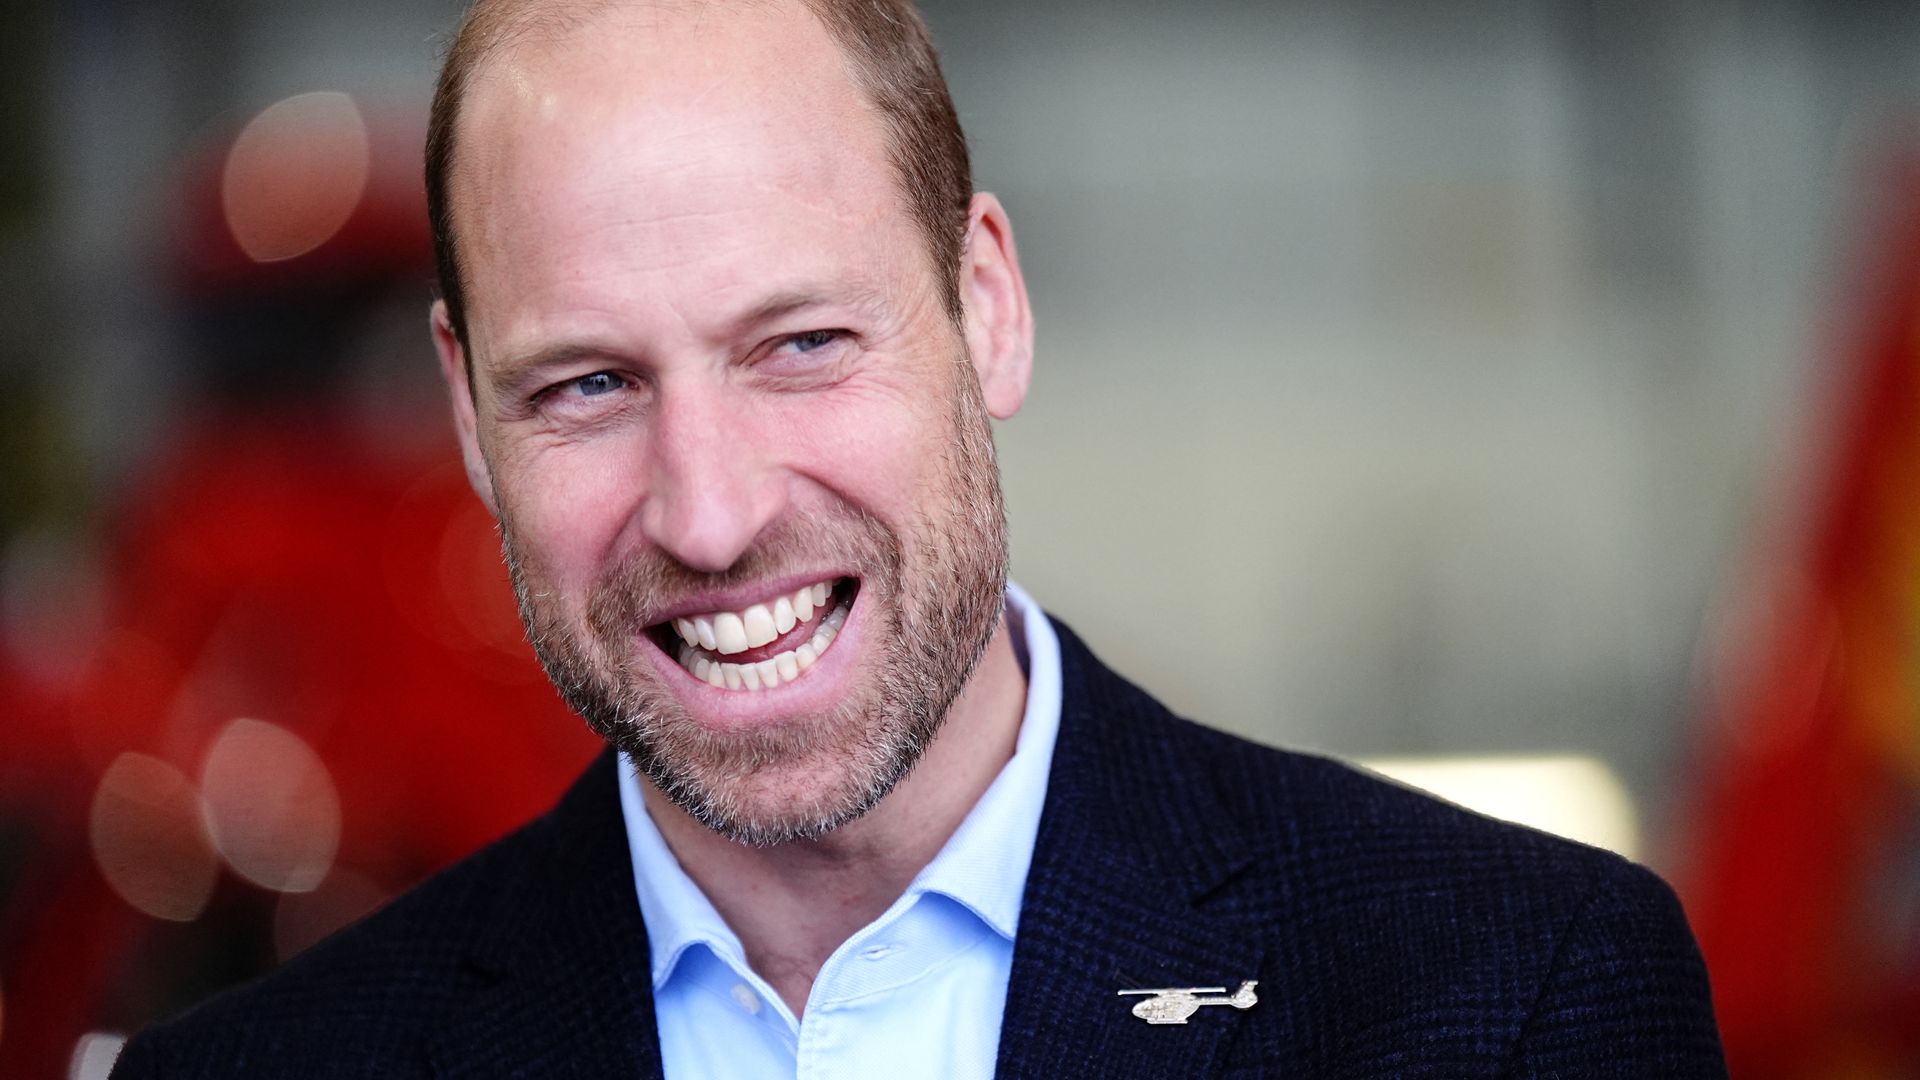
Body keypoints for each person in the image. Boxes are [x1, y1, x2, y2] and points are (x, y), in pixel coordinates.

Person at [112, 0, 1728, 1075]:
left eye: (801, 344)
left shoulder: (1509, 998)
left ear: (989, 308)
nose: (714, 510)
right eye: (590, 385)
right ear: (471, 418)